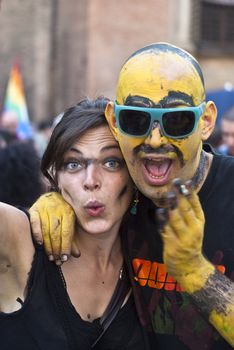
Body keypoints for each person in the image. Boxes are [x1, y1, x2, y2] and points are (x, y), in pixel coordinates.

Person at [30, 43, 234, 349]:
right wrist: (58, 199)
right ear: (115, 120)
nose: (154, 140)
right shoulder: (125, 192)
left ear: (205, 122)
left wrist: (194, 270)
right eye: (136, 120)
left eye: (176, 121)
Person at [0, 97, 149, 349]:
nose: (91, 180)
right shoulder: (20, 237)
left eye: (111, 162)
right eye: (73, 164)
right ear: (55, 176)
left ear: (134, 175)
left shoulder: (153, 253)